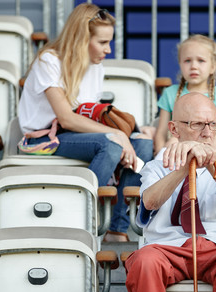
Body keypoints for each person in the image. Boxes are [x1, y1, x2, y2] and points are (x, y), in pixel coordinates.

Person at [18, 3, 153, 242]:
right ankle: (78, 221)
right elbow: (66, 117)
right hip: (44, 137)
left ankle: (116, 230)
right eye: (102, 42)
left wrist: (130, 135)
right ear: (82, 38)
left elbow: (85, 115)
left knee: (143, 145)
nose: (108, 50)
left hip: (73, 134)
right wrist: (118, 136)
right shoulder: (48, 61)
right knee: (111, 144)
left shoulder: (95, 66)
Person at [125, 92, 216, 292]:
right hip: (168, 247)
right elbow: (148, 204)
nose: (207, 132)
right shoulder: (157, 166)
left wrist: (209, 162)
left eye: (212, 124)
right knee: (143, 262)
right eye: (197, 124)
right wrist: (183, 167)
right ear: (174, 129)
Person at [152, 34, 216, 156]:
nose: (194, 66)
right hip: (178, 145)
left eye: (201, 60)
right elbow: (161, 132)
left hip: (210, 144)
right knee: (172, 143)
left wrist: (196, 144)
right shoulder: (170, 93)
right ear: (180, 64)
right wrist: (159, 155)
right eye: (187, 61)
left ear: (212, 67)